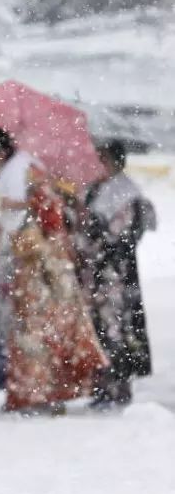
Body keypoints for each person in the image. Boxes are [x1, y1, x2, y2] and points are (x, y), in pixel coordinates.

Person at [0, 127, 106, 415]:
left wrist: (15, 205)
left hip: (39, 262)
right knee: (29, 328)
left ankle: (38, 393)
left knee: (36, 329)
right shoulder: (18, 172)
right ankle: (30, 391)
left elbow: (49, 212)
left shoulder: (25, 171)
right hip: (30, 262)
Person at [78, 141, 155, 408]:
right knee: (97, 327)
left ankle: (117, 385)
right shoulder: (92, 190)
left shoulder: (125, 193)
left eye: (102, 159)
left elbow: (125, 235)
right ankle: (101, 385)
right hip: (94, 270)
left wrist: (97, 234)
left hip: (115, 272)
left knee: (116, 327)